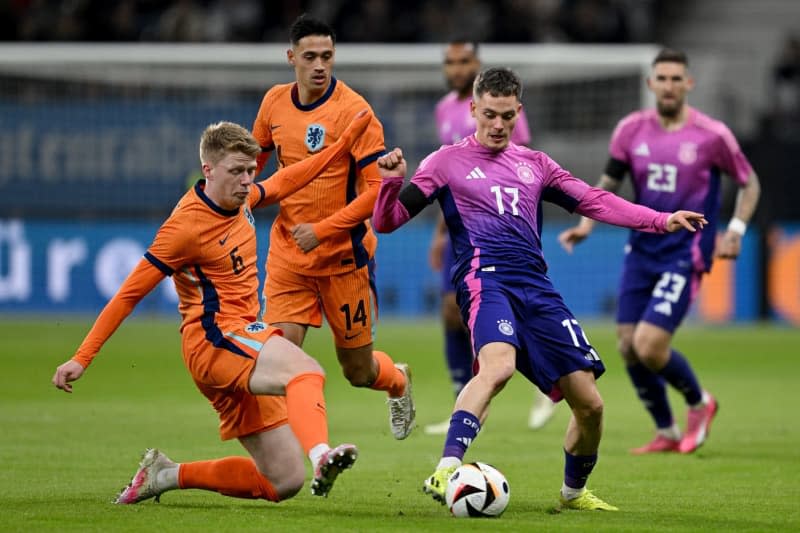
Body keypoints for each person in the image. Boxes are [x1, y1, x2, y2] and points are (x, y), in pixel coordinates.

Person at [372, 67, 707, 511]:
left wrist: (660, 220)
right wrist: (391, 182)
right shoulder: (445, 162)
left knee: (590, 405)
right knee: (497, 367)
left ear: (518, 112)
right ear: (473, 109)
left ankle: (573, 494)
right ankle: (446, 468)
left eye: (507, 116)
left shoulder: (536, 165)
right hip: (485, 278)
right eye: (489, 114)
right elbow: (386, 222)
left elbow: (595, 200)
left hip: (537, 287)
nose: (497, 125)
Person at [51, 113, 371, 503]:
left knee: (283, 481)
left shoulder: (243, 199)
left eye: (251, 170)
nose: (246, 180)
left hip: (237, 339)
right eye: (237, 171)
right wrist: (82, 357)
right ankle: (323, 456)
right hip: (215, 340)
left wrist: (341, 147)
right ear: (208, 170)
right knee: (306, 372)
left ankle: (166, 474)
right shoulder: (184, 228)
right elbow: (129, 294)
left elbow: (287, 180)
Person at [558, 48, 760, 455]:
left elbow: (749, 182)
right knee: (628, 345)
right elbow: (608, 184)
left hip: (686, 252)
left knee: (650, 345)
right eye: (661, 79)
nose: (668, 86)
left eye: (675, 78)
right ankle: (666, 431)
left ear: (689, 83)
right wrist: (586, 224)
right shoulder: (630, 130)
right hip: (641, 249)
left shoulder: (712, 134)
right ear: (650, 85)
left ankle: (701, 403)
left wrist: (735, 229)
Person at [251, 14, 414, 440]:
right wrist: (240, 192)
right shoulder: (273, 103)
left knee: (358, 372)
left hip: (344, 258)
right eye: (310, 57)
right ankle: (300, 449)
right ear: (291, 58)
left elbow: (376, 193)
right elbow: (256, 161)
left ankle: (397, 380)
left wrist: (322, 230)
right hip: (289, 256)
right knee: (280, 356)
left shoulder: (356, 112)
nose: (320, 65)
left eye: (327, 55)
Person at [425, 40, 556, 436]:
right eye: (450, 62)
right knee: (452, 311)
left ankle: (546, 376)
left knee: (503, 309)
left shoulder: (502, 108)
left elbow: (522, 172)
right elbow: (447, 177)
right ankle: (463, 401)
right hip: (461, 226)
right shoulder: (445, 109)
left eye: (464, 61)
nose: (456, 68)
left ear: (476, 64)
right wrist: (438, 232)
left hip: (503, 224)